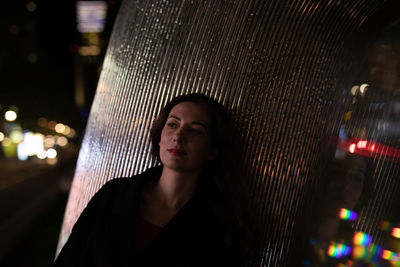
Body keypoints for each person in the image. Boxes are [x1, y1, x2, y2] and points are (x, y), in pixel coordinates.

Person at [53, 93, 256, 267]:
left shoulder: (219, 225)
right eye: (172, 124)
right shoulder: (114, 194)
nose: (178, 135)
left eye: (195, 130)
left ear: (212, 150)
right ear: (160, 137)